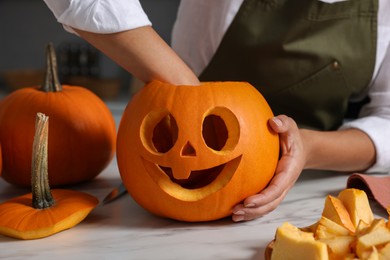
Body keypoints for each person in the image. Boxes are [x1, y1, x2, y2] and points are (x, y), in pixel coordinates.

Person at [43, 0, 390, 222]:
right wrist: (191, 108)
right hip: (173, 171)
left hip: (312, 191)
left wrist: (307, 148)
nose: (190, 150)